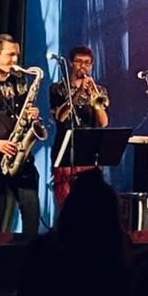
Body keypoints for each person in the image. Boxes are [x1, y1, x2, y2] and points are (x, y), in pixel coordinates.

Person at [0, 34, 42, 236]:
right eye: (9, 55)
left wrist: (32, 116)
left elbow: (23, 113)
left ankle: (30, 253)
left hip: (20, 157)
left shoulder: (19, 79)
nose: (14, 60)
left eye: (16, 56)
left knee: (32, 214)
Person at [49, 45, 109, 208]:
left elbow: (104, 122)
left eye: (87, 63)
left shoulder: (99, 90)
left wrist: (94, 99)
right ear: (71, 63)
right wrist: (77, 93)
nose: (83, 66)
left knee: (91, 205)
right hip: (65, 151)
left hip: (90, 154)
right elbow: (60, 117)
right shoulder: (58, 88)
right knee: (66, 203)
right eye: (79, 62)